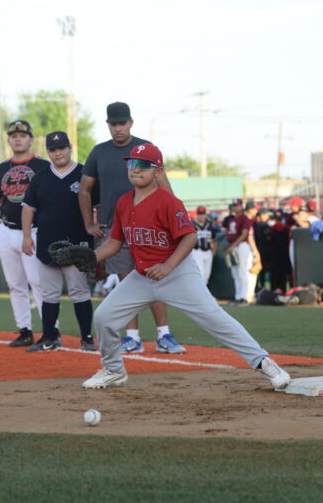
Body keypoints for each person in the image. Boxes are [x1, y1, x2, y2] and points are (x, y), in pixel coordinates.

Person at [80, 143, 291, 391]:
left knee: (214, 317)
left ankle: (264, 362)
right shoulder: (124, 203)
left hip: (177, 274)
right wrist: (91, 256)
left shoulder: (168, 201)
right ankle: (114, 370)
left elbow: (189, 237)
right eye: (131, 164)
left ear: (158, 171)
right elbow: (115, 242)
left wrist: (169, 266)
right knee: (104, 317)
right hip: (142, 277)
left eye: (142, 165)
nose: (135, 169)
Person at [78, 101, 185, 354]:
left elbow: (164, 185)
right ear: (108, 125)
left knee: (154, 280)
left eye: (122, 123)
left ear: (131, 123)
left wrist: (172, 215)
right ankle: (133, 337)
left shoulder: (145, 149)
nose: (118, 128)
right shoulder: (98, 152)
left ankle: (164, 335)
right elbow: (84, 189)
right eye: (113, 124)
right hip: (116, 228)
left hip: (149, 228)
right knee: (128, 282)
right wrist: (88, 224)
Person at [21, 131, 97, 352]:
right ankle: (48, 338)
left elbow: (97, 206)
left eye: (61, 148)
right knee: (49, 294)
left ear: (70, 147)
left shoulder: (84, 173)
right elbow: (28, 207)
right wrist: (27, 236)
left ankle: (87, 338)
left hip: (78, 243)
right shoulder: (41, 176)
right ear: (48, 152)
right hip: (47, 243)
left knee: (79, 292)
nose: (58, 153)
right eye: (53, 150)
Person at [0, 120, 51, 347]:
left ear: (31, 139)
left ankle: (51, 331)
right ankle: (25, 331)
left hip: (33, 231)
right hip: (6, 229)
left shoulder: (43, 166)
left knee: (38, 282)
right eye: (13, 135)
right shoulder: (2, 168)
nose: (18, 138)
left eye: (23, 135)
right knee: (15, 284)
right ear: (9, 140)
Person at [225, 199, 260, 305]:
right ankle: (238, 296)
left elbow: (245, 234)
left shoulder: (245, 218)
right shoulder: (231, 219)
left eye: (238, 205)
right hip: (234, 246)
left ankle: (244, 297)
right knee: (235, 273)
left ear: (241, 206)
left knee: (242, 271)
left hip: (242, 246)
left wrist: (233, 245)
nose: (236, 207)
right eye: (234, 205)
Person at [191, 205, 219, 285]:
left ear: (206, 214)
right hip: (197, 251)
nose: (201, 216)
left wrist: (213, 251)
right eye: (199, 214)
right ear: (197, 215)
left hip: (208, 251)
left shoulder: (209, 226)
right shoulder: (192, 226)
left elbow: (215, 239)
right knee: (201, 273)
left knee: (207, 275)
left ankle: (204, 294)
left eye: (203, 213)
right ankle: (200, 295)